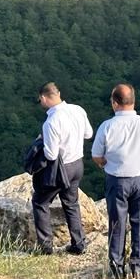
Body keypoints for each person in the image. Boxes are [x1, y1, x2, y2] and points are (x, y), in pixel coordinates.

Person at [91, 83, 140, 279]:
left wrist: (105, 163)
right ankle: (138, 266)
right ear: (133, 101)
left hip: (117, 180)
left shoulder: (107, 126)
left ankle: (117, 266)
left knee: (117, 223)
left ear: (114, 103)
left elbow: (96, 155)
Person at [32, 82, 93, 255]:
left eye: (40, 100)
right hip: (77, 164)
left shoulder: (51, 122)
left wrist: (41, 142)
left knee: (40, 202)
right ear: (58, 93)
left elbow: (51, 155)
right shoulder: (77, 109)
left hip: (61, 168)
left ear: (43, 98)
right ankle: (79, 244)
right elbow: (88, 134)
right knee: (71, 203)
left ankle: (45, 248)